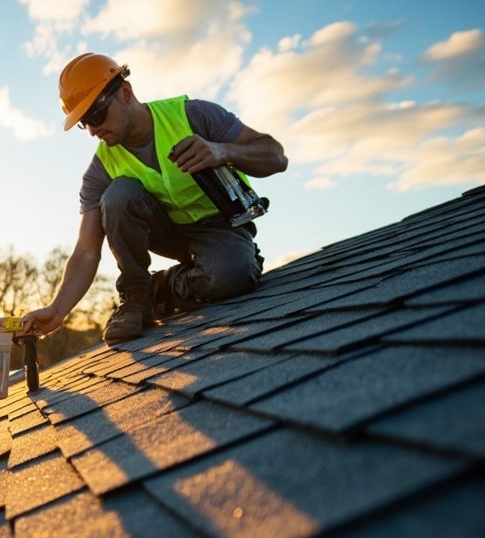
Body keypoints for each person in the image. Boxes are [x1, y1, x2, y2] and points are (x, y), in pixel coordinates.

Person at [22, 52, 289, 343]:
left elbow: (276, 157)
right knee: (117, 196)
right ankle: (136, 294)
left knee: (232, 275)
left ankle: (159, 289)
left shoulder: (193, 116)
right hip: (167, 234)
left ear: (125, 93)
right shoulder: (99, 172)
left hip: (220, 228)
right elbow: (86, 250)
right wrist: (57, 310)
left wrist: (221, 151)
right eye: (84, 122)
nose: (93, 130)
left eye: (95, 115)